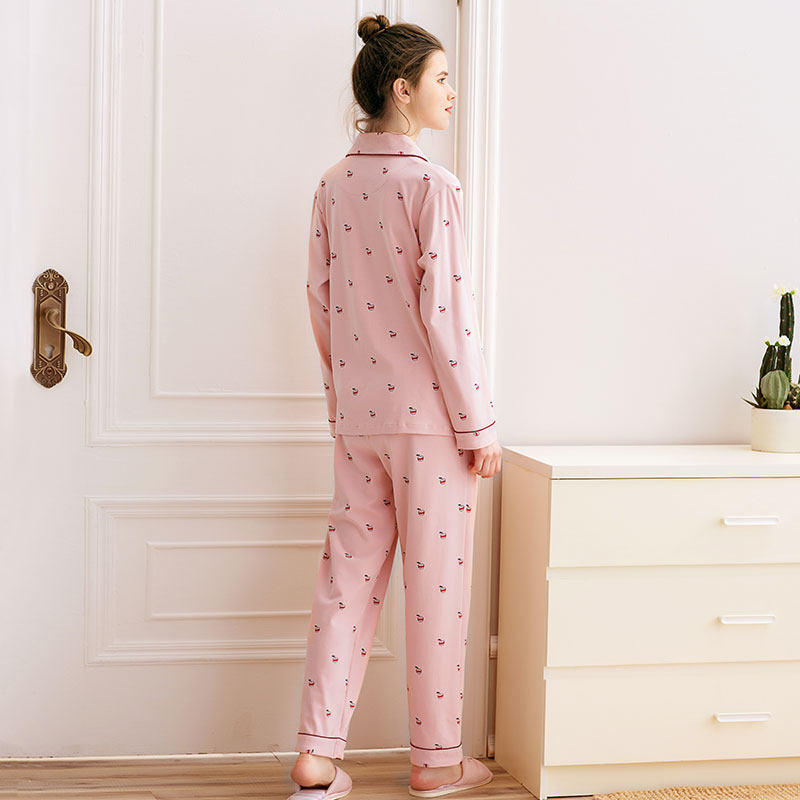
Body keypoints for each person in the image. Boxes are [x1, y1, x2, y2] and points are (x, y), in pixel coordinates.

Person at [288, 13, 500, 799]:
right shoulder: (431, 186)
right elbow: (448, 313)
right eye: (442, 79)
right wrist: (478, 423)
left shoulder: (333, 185)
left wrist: (342, 398)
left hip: (359, 417)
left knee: (345, 581)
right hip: (432, 424)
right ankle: (436, 762)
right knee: (435, 589)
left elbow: (320, 302)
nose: (452, 93)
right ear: (402, 90)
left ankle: (317, 756)